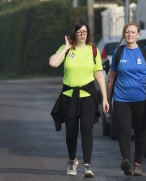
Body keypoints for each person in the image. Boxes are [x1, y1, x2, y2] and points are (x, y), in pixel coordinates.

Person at [49, 20, 110, 178]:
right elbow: (53, 63)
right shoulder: (67, 50)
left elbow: (99, 75)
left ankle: (87, 166)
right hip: (68, 96)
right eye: (79, 32)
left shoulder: (93, 51)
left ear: (88, 33)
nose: (82, 34)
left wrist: (104, 98)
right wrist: (66, 48)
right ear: (73, 33)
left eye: (85, 31)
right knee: (71, 132)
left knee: (86, 130)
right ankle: (72, 161)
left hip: (88, 96)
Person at [107, 22, 146, 176]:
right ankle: (126, 161)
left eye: (133, 32)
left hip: (141, 99)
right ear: (124, 35)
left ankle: (137, 164)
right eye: (127, 32)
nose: (130, 35)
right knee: (124, 130)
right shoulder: (119, 52)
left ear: (138, 34)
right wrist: (107, 99)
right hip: (121, 99)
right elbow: (111, 78)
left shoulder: (144, 52)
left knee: (140, 131)